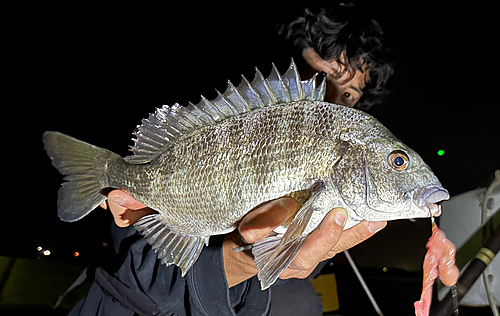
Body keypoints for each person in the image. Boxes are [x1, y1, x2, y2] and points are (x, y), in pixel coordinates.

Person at [69, 4, 393, 316]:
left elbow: (283, 281)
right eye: (320, 78)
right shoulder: (207, 114)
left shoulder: (341, 188)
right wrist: (240, 258)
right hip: (122, 304)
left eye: (349, 95)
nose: (331, 100)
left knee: (301, 301)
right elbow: (144, 272)